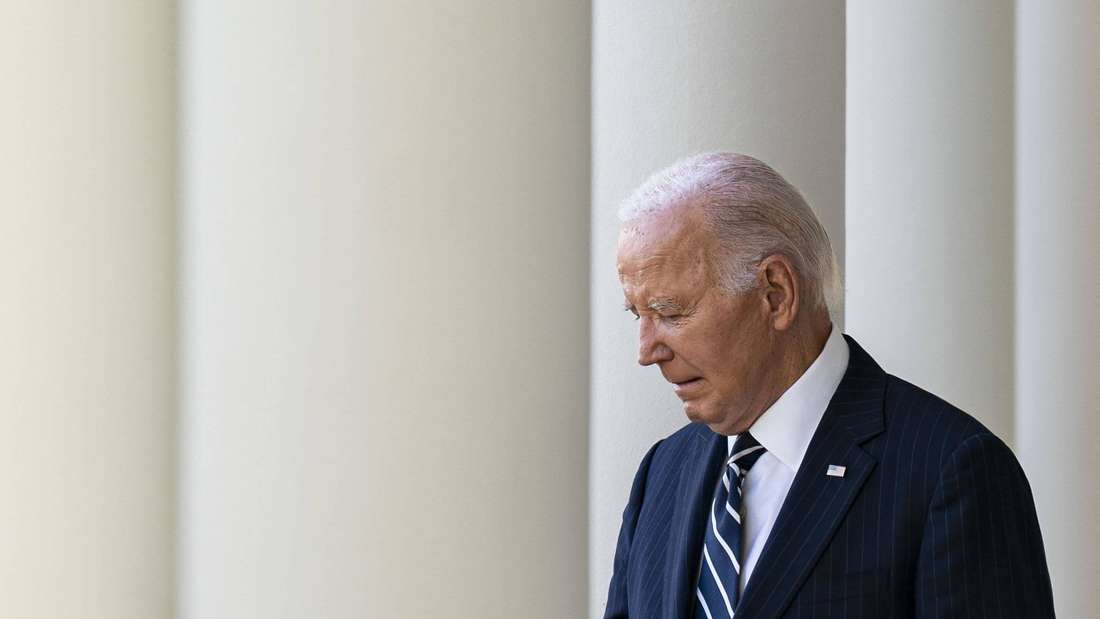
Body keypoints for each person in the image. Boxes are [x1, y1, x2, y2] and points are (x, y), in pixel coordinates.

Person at [603, 153, 1054, 618]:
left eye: (671, 313)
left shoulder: (949, 469)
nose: (647, 351)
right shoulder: (663, 470)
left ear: (776, 293)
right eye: (639, 316)